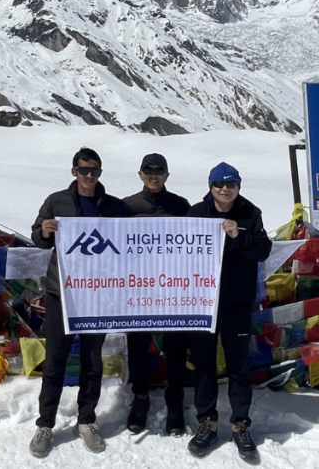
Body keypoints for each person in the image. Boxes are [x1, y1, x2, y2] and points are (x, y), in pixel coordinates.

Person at [28, 147, 131, 458]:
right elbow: (37, 235)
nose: (89, 176)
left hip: (98, 294)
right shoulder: (56, 201)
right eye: (84, 170)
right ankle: (45, 424)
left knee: (92, 360)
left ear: (100, 173)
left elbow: (135, 239)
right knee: (55, 359)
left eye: (95, 171)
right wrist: (44, 232)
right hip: (62, 293)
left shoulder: (113, 206)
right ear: (74, 171)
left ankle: (86, 419)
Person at [183, 162, 271, 461]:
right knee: (204, 364)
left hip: (236, 302)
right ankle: (207, 422)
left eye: (230, 184)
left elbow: (263, 250)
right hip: (202, 301)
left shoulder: (250, 213)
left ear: (238, 187)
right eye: (219, 184)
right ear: (210, 187)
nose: (224, 189)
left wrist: (239, 236)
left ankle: (240, 424)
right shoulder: (196, 213)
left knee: (238, 366)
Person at [120, 153, 191, 435]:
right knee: (137, 345)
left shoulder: (181, 206)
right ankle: (140, 398)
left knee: (175, 347)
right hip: (137, 288)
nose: (153, 175)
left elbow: (197, 241)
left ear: (166, 175)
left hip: (172, 289)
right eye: (148, 170)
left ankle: (175, 403)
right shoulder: (126, 207)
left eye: (159, 170)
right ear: (140, 174)